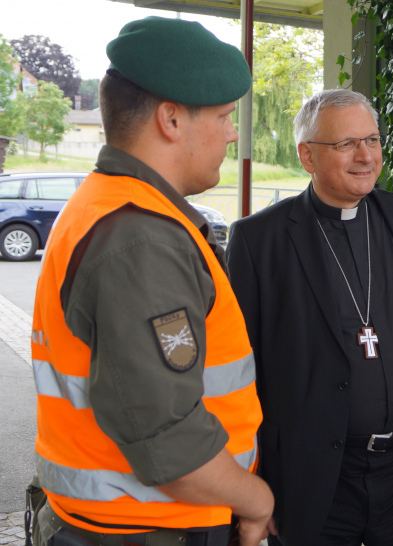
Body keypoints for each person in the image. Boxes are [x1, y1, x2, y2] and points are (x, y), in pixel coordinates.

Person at [29, 17, 274, 546]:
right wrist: (257, 499)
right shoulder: (140, 238)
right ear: (171, 120)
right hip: (151, 528)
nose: (233, 132)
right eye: (225, 116)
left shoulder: (107, 203)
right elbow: (169, 439)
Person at [226, 89, 393, 546]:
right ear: (307, 155)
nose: (365, 156)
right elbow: (242, 374)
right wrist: (253, 482)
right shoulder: (259, 241)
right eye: (346, 144)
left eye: (373, 140)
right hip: (315, 478)